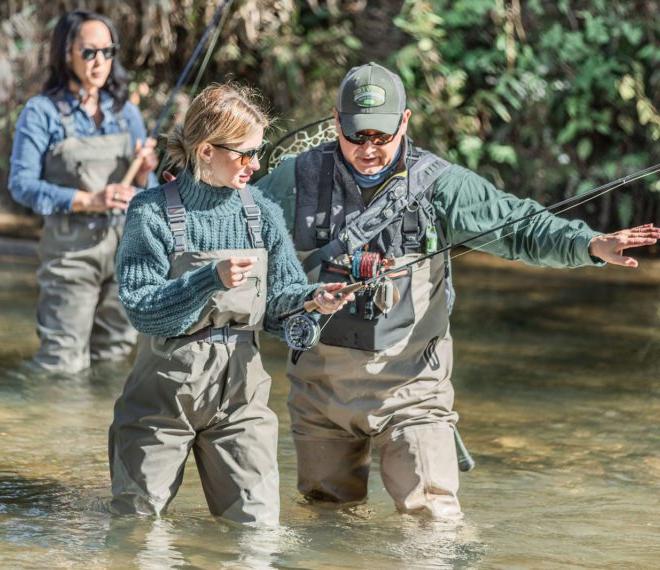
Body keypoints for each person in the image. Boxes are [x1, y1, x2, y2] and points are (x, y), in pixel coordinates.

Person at [256, 62, 660, 519]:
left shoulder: (442, 185)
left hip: (413, 394)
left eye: (382, 136)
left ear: (405, 122)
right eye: (357, 135)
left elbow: (520, 227)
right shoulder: (295, 179)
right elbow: (234, 223)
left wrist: (588, 245)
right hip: (319, 393)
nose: (369, 148)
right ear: (336, 123)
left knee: (434, 523)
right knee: (325, 522)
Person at [108, 83, 350, 524]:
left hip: (242, 393)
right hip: (163, 394)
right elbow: (141, 308)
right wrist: (207, 280)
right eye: (244, 154)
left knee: (255, 534)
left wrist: (314, 302)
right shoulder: (150, 212)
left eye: (257, 152)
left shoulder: (262, 212)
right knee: (136, 531)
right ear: (204, 150)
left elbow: (279, 306)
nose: (255, 165)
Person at [8, 10, 158, 373]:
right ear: (66, 54)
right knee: (61, 362)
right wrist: (90, 200)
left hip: (126, 252)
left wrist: (146, 175)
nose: (100, 62)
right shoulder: (41, 112)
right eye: (89, 52)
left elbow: (147, 193)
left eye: (108, 52)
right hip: (69, 255)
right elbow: (21, 186)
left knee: (116, 357)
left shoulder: (126, 113)